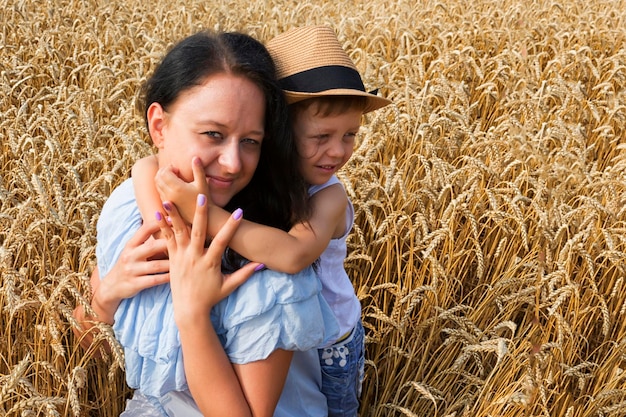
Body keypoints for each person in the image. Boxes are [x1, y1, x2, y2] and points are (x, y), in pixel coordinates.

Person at [73, 30, 340, 417]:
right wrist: (108, 293)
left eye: (251, 141)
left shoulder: (266, 269)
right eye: (213, 134)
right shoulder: (131, 209)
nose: (233, 162)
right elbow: (92, 347)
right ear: (159, 126)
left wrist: (193, 314)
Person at [134, 26, 392, 416]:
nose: (338, 151)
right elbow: (145, 166)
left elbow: (291, 256)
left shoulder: (330, 196)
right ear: (279, 132)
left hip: (331, 347)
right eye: (322, 135)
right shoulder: (260, 176)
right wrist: (169, 226)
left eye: (350, 135)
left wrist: (199, 209)